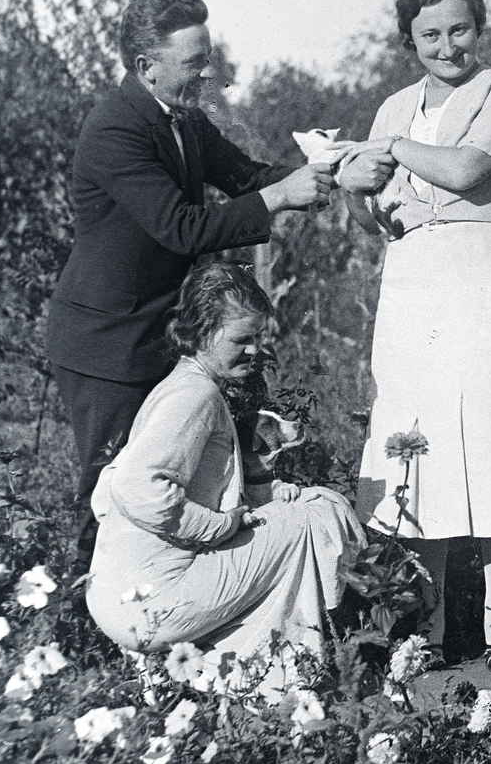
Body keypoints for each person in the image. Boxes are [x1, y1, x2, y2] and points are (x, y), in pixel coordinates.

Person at [331, 0, 491, 669]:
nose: (447, 45)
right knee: (421, 446)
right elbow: (373, 216)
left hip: (485, 272)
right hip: (414, 280)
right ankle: (429, 629)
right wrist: (355, 186)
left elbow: (467, 171)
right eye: (430, 33)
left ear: (480, 27)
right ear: (408, 39)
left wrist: (387, 152)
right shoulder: (393, 106)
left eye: (459, 29)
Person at [47, 0, 334, 569]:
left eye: (208, 59)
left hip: (156, 333)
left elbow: (244, 175)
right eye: (194, 63)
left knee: (173, 477)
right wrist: (281, 196)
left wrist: (327, 173)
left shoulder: (182, 119)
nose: (207, 74)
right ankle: (88, 634)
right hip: (107, 344)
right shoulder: (115, 129)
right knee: (110, 492)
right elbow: (180, 228)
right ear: (146, 66)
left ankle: (160, 615)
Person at [85, 262, 363, 676]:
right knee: (315, 512)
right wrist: (218, 527)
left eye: (258, 337)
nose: (254, 350)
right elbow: (135, 485)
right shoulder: (194, 395)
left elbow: (105, 493)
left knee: (289, 513)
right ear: (202, 332)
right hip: (150, 604)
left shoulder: (179, 385)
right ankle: (278, 672)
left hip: (115, 597)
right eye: (242, 339)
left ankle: (255, 666)